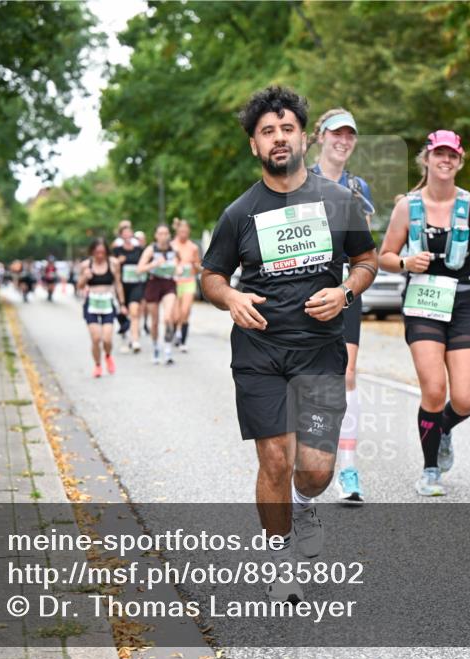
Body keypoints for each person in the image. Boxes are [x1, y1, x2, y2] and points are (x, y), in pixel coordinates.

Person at [201, 86, 377, 603]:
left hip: (320, 351)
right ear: (255, 146)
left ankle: (305, 503)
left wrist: (345, 291)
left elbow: (365, 262)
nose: (278, 138)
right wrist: (230, 297)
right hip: (259, 352)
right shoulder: (239, 213)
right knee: (275, 460)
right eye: (266, 132)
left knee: (316, 472)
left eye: (286, 129)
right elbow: (210, 276)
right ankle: (280, 562)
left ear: (303, 136)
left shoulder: (340, 202)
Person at [379, 130, 470, 497]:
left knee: (464, 399)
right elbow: (384, 256)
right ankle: (430, 469)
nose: (445, 161)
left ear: (459, 161)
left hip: (463, 303)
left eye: (452, 155)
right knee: (434, 389)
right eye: (439, 154)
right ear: (427, 159)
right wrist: (404, 261)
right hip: (423, 303)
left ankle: (443, 427)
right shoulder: (408, 207)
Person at [309, 107, 376, 504]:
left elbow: (362, 249)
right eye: (336, 133)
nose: (343, 140)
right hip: (304, 291)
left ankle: (347, 467)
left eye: (350, 134)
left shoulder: (358, 187)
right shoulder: (299, 181)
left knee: (346, 372)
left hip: (346, 291)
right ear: (320, 137)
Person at [76, 238, 126, 378]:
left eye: (102, 252)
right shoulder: (86, 265)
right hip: (91, 303)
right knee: (96, 338)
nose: (99, 255)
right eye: (97, 252)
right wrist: (85, 278)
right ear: (92, 252)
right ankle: (98, 365)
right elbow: (79, 286)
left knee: (107, 339)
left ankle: (108, 355)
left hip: (107, 302)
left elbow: (118, 284)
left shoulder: (113, 263)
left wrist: (122, 304)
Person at [137, 224, 180, 365]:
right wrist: (154, 264)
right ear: (156, 236)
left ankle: (167, 349)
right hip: (153, 284)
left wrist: (178, 268)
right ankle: (156, 347)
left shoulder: (173, 249)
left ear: (169, 235)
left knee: (168, 317)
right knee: (154, 322)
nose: (163, 236)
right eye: (160, 233)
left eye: (166, 233)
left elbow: (180, 263)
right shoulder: (151, 249)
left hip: (168, 284)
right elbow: (139, 269)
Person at [113, 222, 146, 353]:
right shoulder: (116, 251)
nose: (127, 235)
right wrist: (117, 262)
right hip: (122, 286)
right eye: (124, 233)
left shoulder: (139, 250)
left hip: (136, 285)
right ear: (121, 235)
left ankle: (135, 340)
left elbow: (144, 264)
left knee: (134, 311)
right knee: (123, 312)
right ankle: (124, 333)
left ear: (132, 234)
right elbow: (110, 267)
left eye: (129, 232)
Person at [171, 218, 202, 353]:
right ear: (177, 231)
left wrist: (195, 266)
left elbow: (198, 266)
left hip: (189, 281)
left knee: (185, 311)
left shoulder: (193, 247)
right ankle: (175, 332)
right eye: (181, 231)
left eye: (186, 231)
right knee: (175, 315)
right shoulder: (171, 245)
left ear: (188, 232)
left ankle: (183, 341)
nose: (183, 233)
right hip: (174, 282)